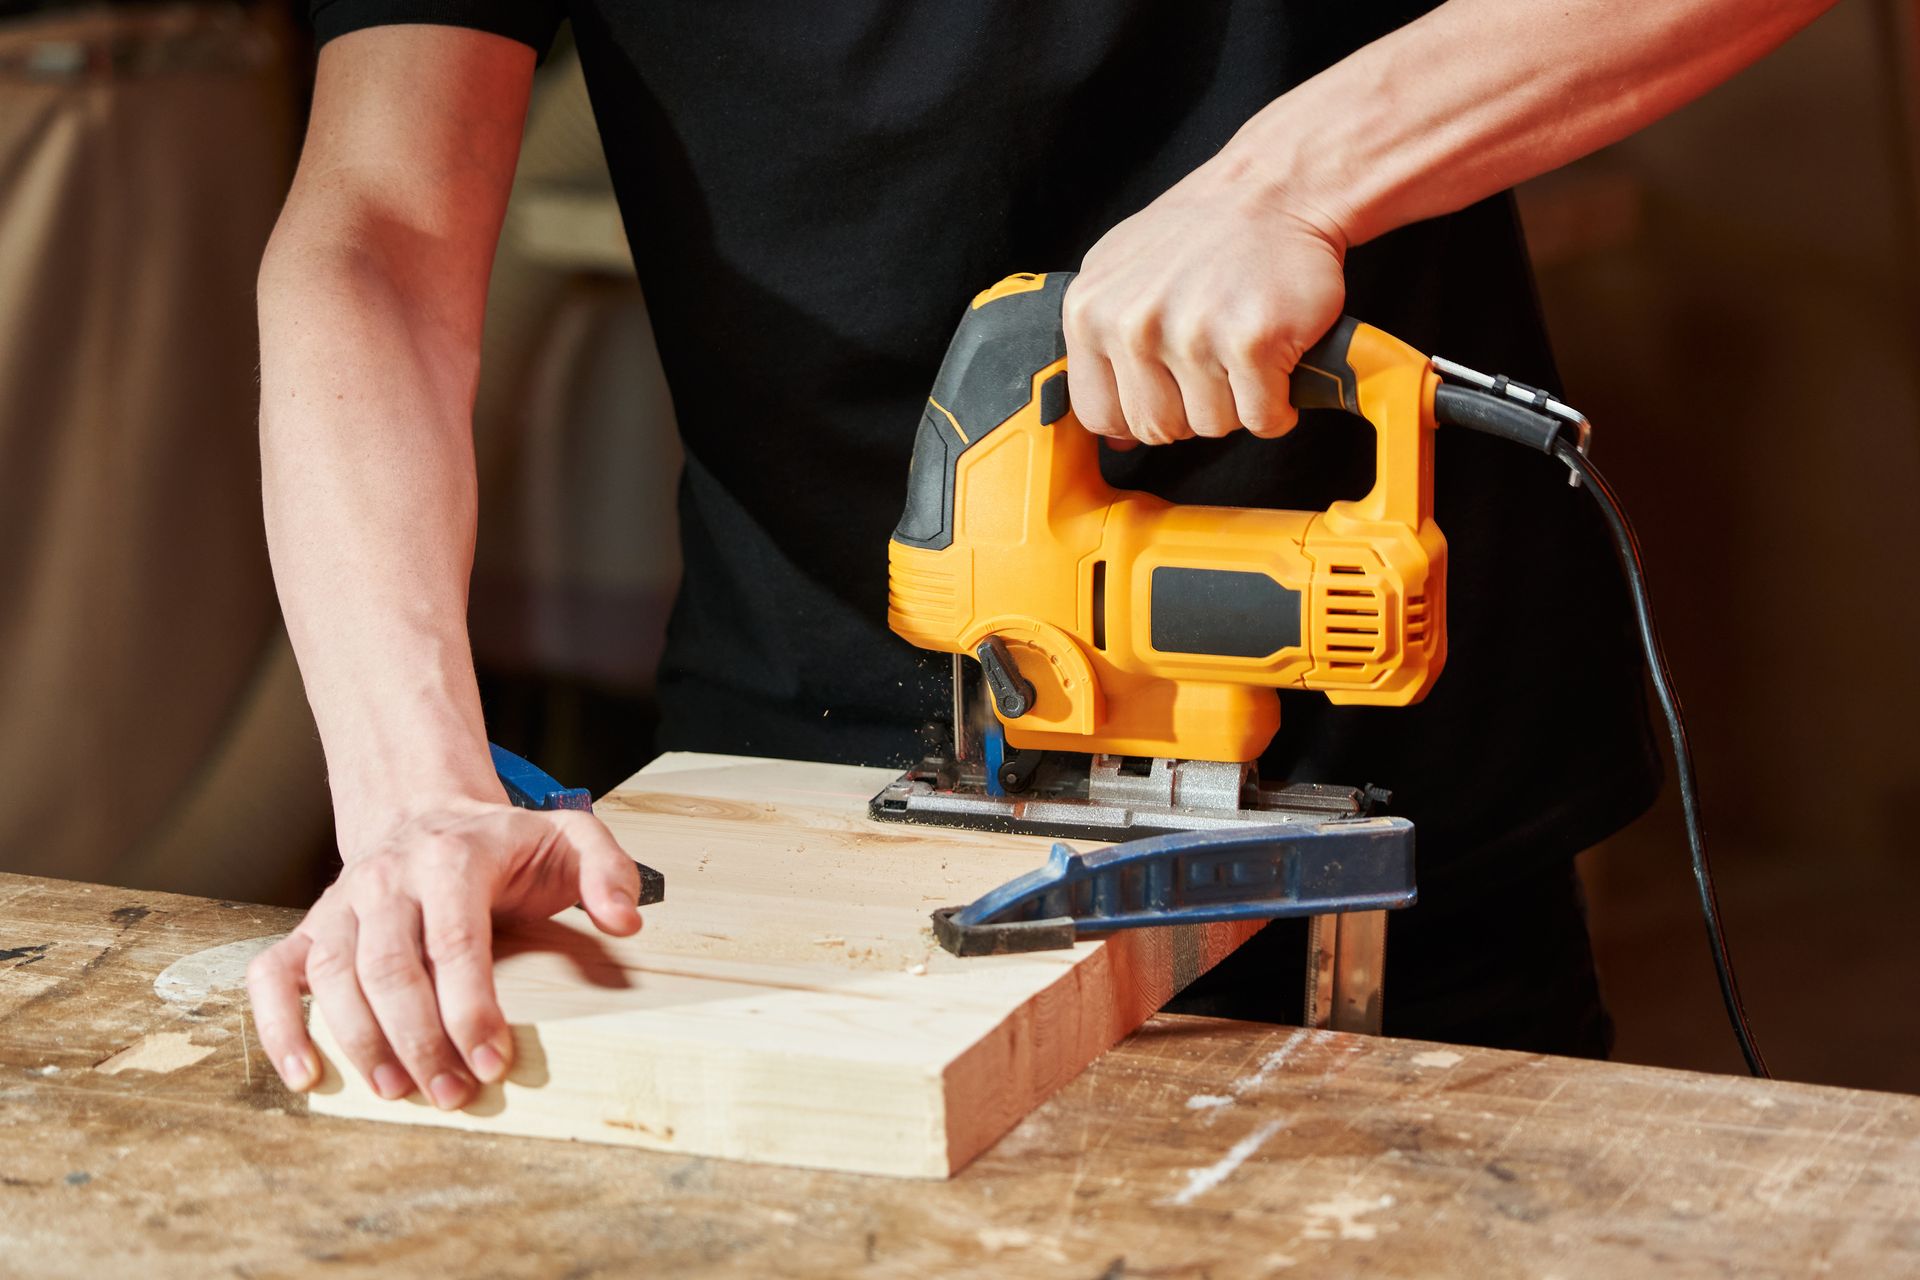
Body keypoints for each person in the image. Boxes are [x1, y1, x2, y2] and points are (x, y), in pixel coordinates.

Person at [246, 0, 1833, 1110]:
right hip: (805, 806)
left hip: (1412, 821)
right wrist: (413, 794)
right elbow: (378, 230)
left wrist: (1289, 183)